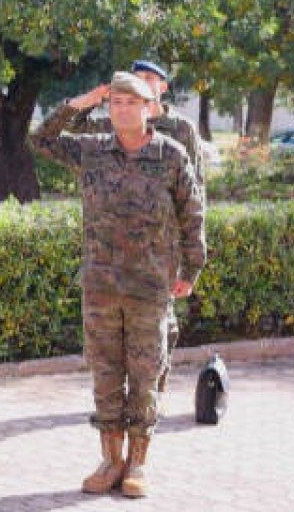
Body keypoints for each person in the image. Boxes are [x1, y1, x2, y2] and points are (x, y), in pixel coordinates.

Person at [32, 72, 206, 498]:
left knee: (145, 377)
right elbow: (40, 139)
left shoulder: (171, 155)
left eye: (132, 103)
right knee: (106, 377)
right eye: (116, 103)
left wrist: (190, 271)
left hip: (150, 287)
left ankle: (138, 464)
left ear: (150, 109)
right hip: (102, 286)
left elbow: (193, 215)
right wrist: (82, 101)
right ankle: (110, 460)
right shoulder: (91, 150)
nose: (123, 110)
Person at [63, 59, 206, 396]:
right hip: (116, 253)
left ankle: (150, 392)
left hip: (162, 248)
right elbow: (73, 128)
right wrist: (93, 99)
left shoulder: (180, 130)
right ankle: (132, 398)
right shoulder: (115, 123)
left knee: (160, 328)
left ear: (161, 88)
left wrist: (190, 255)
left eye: (148, 79)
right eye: (134, 78)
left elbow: (195, 192)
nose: (140, 82)